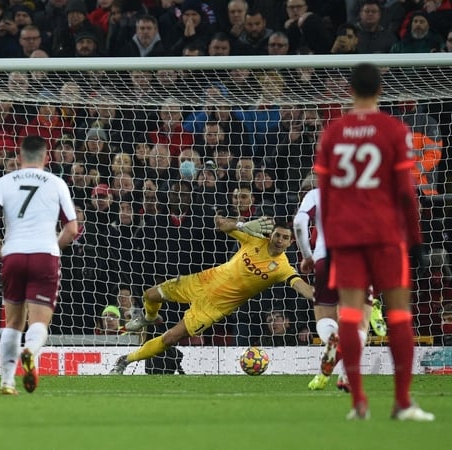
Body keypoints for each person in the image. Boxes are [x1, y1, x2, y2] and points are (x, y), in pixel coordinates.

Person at [314, 63, 434, 421]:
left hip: (347, 236)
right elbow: (406, 193)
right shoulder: (393, 129)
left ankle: (359, 403)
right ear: (381, 89)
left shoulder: (334, 132)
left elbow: (326, 194)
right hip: (385, 234)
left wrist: (331, 244)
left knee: (349, 315)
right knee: (398, 315)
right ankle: (402, 402)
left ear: (349, 89)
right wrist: (416, 242)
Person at [110, 217, 315, 374]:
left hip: (214, 307)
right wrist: (242, 225)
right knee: (151, 295)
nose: (280, 240)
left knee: (171, 337)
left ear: (290, 243)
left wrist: (319, 297)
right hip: (201, 281)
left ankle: (125, 360)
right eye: (277, 235)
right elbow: (220, 223)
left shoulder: (282, 268)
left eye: (285, 238)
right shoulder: (253, 239)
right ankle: (150, 318)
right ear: (271, 235)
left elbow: (300, 285)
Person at [0, 135, 78, 395]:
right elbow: (72, 228)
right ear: (47, 158)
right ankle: (30, 351)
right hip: (44, 254)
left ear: (19, 158)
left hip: (13, 254)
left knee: (12, 322)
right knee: (39, 322)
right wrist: (55, 246)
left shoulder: (3, 182)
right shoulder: (57, 183)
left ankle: (7, 382)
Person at [294, 185, 386, 392]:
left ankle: (333, 338)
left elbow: (299, 223)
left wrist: (307, 256)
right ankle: (347, 375)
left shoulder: (317, 193)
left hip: (324, 259)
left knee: (326, 319)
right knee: (360, 324)